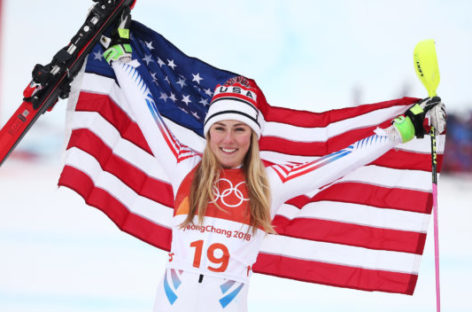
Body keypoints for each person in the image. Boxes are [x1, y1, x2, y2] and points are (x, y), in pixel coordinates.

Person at [103, 35, 446, 312]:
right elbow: (148, 113)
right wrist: (119, 57)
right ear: (208, 133)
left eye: (240, 129)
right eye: (220, 128)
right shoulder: (184, 167)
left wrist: (402, 129)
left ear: (253, 136)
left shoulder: (270, 183)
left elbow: (340, 161)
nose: (228, 139)